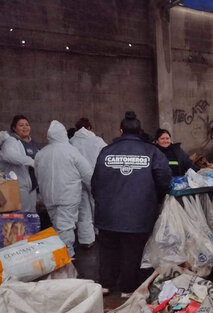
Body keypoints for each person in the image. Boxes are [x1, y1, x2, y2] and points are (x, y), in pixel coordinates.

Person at [92, 111, 171, 298]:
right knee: (132, 250)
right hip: (138, 212)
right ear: (140, 131)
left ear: (121, 130)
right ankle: (127, 289)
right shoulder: (151, 151)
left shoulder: (106, 151)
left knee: (108, 249)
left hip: (108, 213)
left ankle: (105, 284)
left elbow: (95, 182)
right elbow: (164, 178)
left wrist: (103, 202)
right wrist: (155, 197)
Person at [35, 120, 93, 257]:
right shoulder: (72, 152)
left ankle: (62, 253)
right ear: (64, 134)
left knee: (57, 225)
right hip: (68, 196)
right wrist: (94, 190)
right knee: (65, 226)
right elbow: (88, 174)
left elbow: (37, 175)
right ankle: (66, 255)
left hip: (48, 196)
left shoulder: (41, 154)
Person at [70, 117, 107, 247]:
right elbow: (106, 156)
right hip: (95, 176)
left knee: (83, 209)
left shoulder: (71, 142)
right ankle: (100, 232)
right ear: (90, 127)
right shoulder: (97, 140)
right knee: (97, 204)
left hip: (77, 178)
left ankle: (86, 239)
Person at [0, 115, 39, 212]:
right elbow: (8, 155)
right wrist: (31, 162)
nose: (25, 127)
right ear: (14, 128)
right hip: (18, 185)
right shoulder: (11, 141)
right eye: (21, 125)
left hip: (32, 186)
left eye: (27, 125)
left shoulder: (33, 142)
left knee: (31, 214)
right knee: (21, 215)